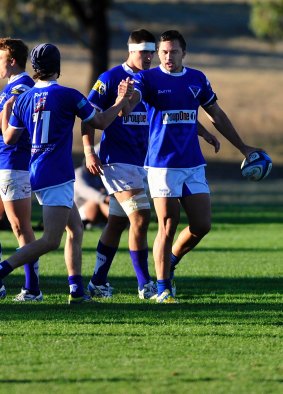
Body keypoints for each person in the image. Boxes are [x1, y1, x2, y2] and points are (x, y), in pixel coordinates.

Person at [124, 30, 261, 303]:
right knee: (167, 224)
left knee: (202, 224)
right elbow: (132, 103)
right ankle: (163, 288)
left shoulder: (197, 79)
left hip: (193, 164)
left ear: (183, 53)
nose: (167, 56)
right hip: (162, 166)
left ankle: (171, 261)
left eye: (173, 51)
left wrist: (243, 148)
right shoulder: (146, 79)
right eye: (163, 51)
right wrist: (126, 98)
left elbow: (217, 116)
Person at [83, 29, 220, 300]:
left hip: (146, 160)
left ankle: (97, 282)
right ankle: (147, 283)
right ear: (130, 50)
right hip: (117, 160)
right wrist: (88, 150)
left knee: (117, 221)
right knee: (141, 215)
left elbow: (176, 113)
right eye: (142, 51)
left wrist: (202, 131)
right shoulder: (111, 79)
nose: (147, 57)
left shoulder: (153, 80)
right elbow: (89, 116)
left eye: (149, 52)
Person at [0, 42, 133, 304]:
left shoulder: (22, 99)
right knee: (50, 240)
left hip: (36, 171)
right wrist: (120, 101)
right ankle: (2, 269)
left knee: (75, 228)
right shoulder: (69, 95)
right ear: (57, 68)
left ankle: (76, 290)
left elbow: (9, 138)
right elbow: (101, 122)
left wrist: (5, 113)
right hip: (56, 173)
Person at [0, 38, 42, 301]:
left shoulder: (22, 87)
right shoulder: (9, 87)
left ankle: (32, 288)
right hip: (4, 163)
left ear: (12, 60)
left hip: (14, 163)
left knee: (20, 227)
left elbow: (10, 127)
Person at [74, 149, 109, 229]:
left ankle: (116, 221)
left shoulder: (98, 175)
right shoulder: (78, 174)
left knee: (105, 200)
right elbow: (86, 191)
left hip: (98, 207)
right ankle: (115, 221)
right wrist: (105, 198)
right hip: (79, 211)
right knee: (99, 201)